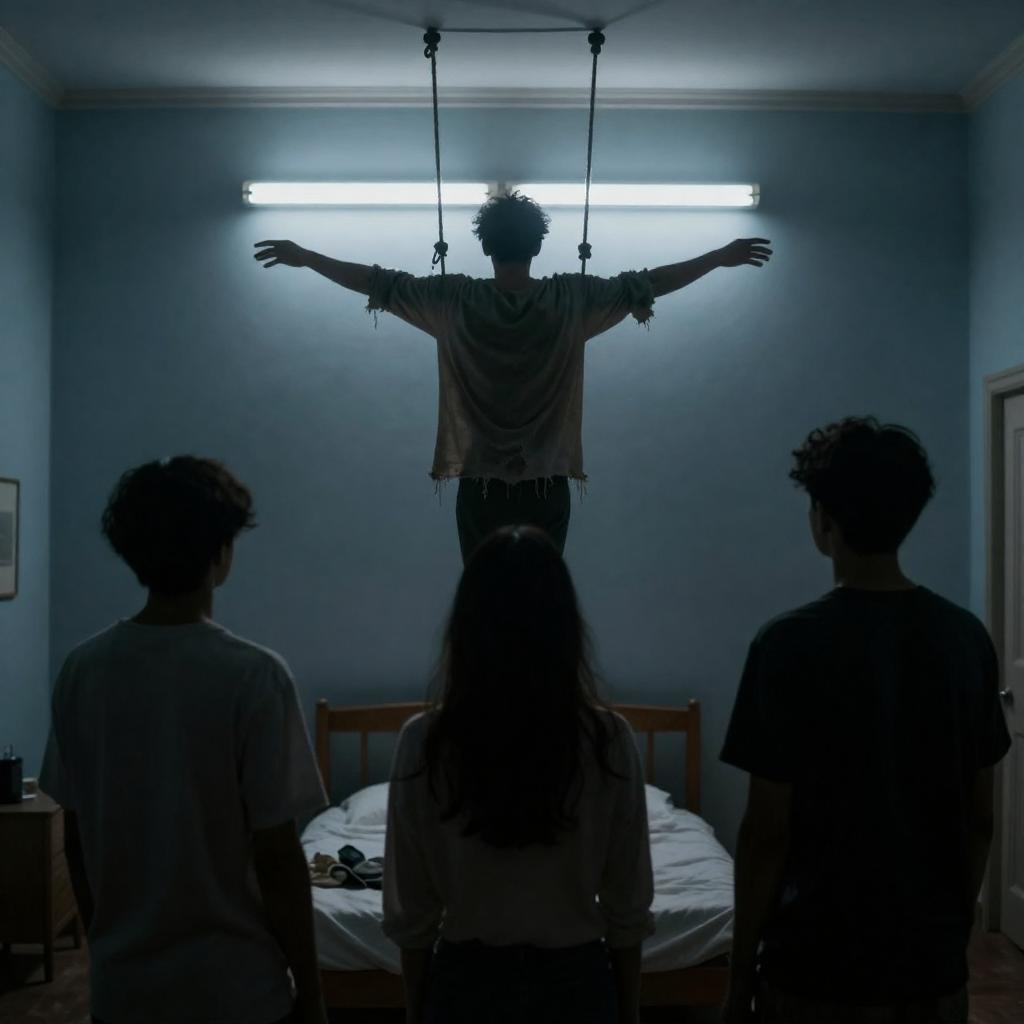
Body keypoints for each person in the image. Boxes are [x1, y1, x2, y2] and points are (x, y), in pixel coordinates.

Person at [254, 191, 771, 561]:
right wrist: (717, 258)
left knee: (485, 608)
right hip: (547, 483)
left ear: (486, 247)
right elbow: (649, 284)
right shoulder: (570, 300)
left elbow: (377, 282)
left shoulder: (453, 301)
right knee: (541, 607)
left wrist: (307, 257)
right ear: (537, 246)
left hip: (480, 485)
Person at [718, 417, 1011, 1024]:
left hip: (814, 963)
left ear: (824, 520)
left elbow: (766, 833)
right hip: (929, 965)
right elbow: (980, 819)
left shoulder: (786, 646)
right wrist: (949, 934)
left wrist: (740, 973)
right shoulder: (965, 641)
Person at [39, 456, 329, 1024]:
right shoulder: (254, 677)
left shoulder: (82, 672)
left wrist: (109, 949)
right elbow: (277, 858)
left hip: (125, 993)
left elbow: (76, 838)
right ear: (220, 554)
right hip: (236, 992)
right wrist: (313, 995)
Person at [380, 526, 655, 1024]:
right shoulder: (606, 739)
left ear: (466, 628)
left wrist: (417, 1012)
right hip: (577, 981)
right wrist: (629, 1013)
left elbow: (412, 914)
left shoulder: (425, 742)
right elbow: (627, 907)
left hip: (467, 982)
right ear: (565, 628)